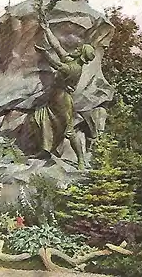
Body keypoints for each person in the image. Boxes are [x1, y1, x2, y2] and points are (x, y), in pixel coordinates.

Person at [33, 9, 95, 170]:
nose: (75, 48)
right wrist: (46, 29)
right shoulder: (71, 59)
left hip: (62, 101)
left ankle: (81, 160)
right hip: (54, 99)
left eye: (79, 49)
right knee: (41, 118)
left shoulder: (73, 68)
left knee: (69, 131)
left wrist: (44, 53)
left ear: (81, 55)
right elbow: (58, 46)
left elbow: (56, 65)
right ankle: (45, 150)